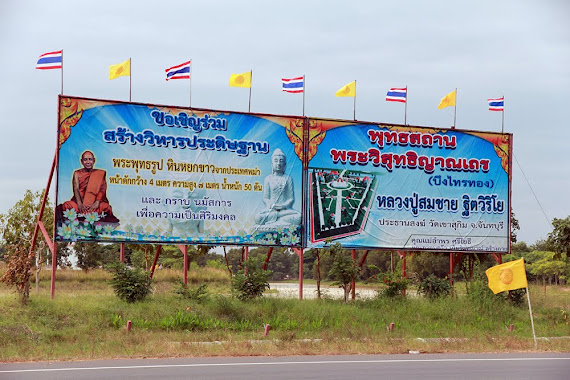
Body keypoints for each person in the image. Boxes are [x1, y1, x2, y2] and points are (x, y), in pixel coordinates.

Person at [62, 150, 119, 223]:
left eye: (90, 159)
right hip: (80, 205)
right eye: (85, 160)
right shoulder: (77, 173)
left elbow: (102, 189)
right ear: (81, 161)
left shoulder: (99, 174)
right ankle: (82, 217)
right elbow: (76, 189)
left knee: (106, 207)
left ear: (94, 160)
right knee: (67, 205)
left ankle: (85, 217)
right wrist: (79, 203)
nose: (88, 162)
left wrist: (97, 202)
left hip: (94, 206)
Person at [254, 148, 301, 226]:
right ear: (272, 164)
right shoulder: (268, 179)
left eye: (281, 161)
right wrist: (271, 204)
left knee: (298, 216)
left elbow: (291, 198)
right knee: (258, 217)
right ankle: (280, 220)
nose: (278, 163)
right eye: (276, 161)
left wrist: (284, 205)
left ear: (285, 165)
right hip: (272, 210)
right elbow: (265, 198)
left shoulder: (288, 178)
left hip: (284, 209)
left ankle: (278, 219)